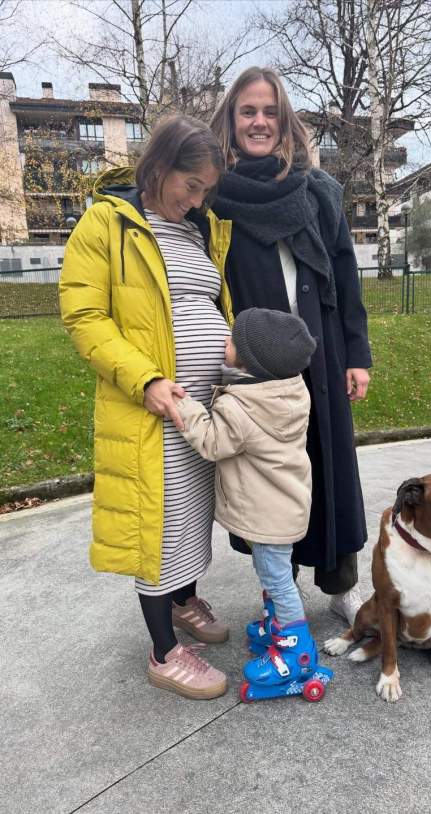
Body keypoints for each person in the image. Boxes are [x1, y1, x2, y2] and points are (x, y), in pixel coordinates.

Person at [59, 114, 235, 700]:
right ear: (158, 169)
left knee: (189, 515)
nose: (198, 199)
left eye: (206, 190)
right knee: (155, 527)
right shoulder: (106, 224)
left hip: (201, 410)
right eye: (191, 186)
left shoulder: (198, 230)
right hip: (148, 410)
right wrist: (148, 380)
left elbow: (214, 305)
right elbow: (84, 317)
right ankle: (164, 652)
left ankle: (183, 602)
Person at [210, 67, 372, 625]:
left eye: (270, 111)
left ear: (285, 122)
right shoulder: (214, 197)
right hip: (255, 367)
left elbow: (347, 280)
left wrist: (357, 355)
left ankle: (341, 582)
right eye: (247, 111)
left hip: (321, 356)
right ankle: (279, 588)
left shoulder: (319, 192)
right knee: (263, 478)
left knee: (329, 468)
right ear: (231, 121)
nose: (259, 122)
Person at [176, 307, 332, 700]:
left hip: (267, 514)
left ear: (250, 361)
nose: (223, 344)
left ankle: (296, 653)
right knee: (274, 574)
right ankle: (275, 626)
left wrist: (185, 406)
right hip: (285, 505)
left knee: (277, 578)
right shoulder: (290, 390)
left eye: (231, 342)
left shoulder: (242, 407)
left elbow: (212, 442)